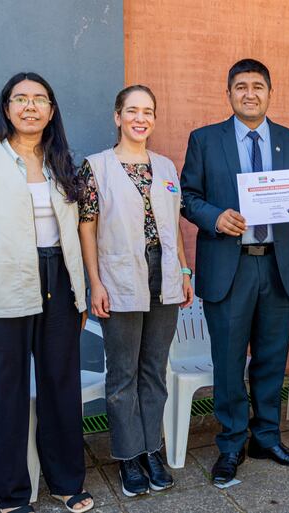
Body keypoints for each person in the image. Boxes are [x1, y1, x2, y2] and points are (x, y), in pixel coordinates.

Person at [181, 58, 289, 484]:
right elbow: (187, 195)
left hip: (279, 267)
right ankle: (231, 444)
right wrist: (214, 217)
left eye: (258, 86)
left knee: (270, 360)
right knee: (228, 363)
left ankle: (267, 437)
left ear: (270, 92)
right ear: (228, 94)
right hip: (230, 266)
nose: (250, 93)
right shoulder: (205, 140)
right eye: (241, 86)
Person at [0, 72, 93, 513]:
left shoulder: (63, 162)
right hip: (2, 286)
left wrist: (81, 294)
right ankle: (12, 496)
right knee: (7, 394)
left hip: (60, 282)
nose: (30, 106)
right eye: (21, 99)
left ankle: (66, 481)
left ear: (52, 111)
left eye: (40, 99)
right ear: (7, 107)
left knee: (60, 386)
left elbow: (76, 233)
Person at [77, 85, 194, 496]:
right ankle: (128, 456)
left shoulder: (165, 167)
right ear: (117, 117)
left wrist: (183, 270)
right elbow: (86, 227)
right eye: (132, 111)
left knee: (154, 371)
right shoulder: (96, 167)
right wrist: (95, 282)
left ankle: (152, 450)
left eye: (148, 112)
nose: (140, 119)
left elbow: (174, 224)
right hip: (120, 277)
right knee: (123, 374)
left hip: (164, 278)